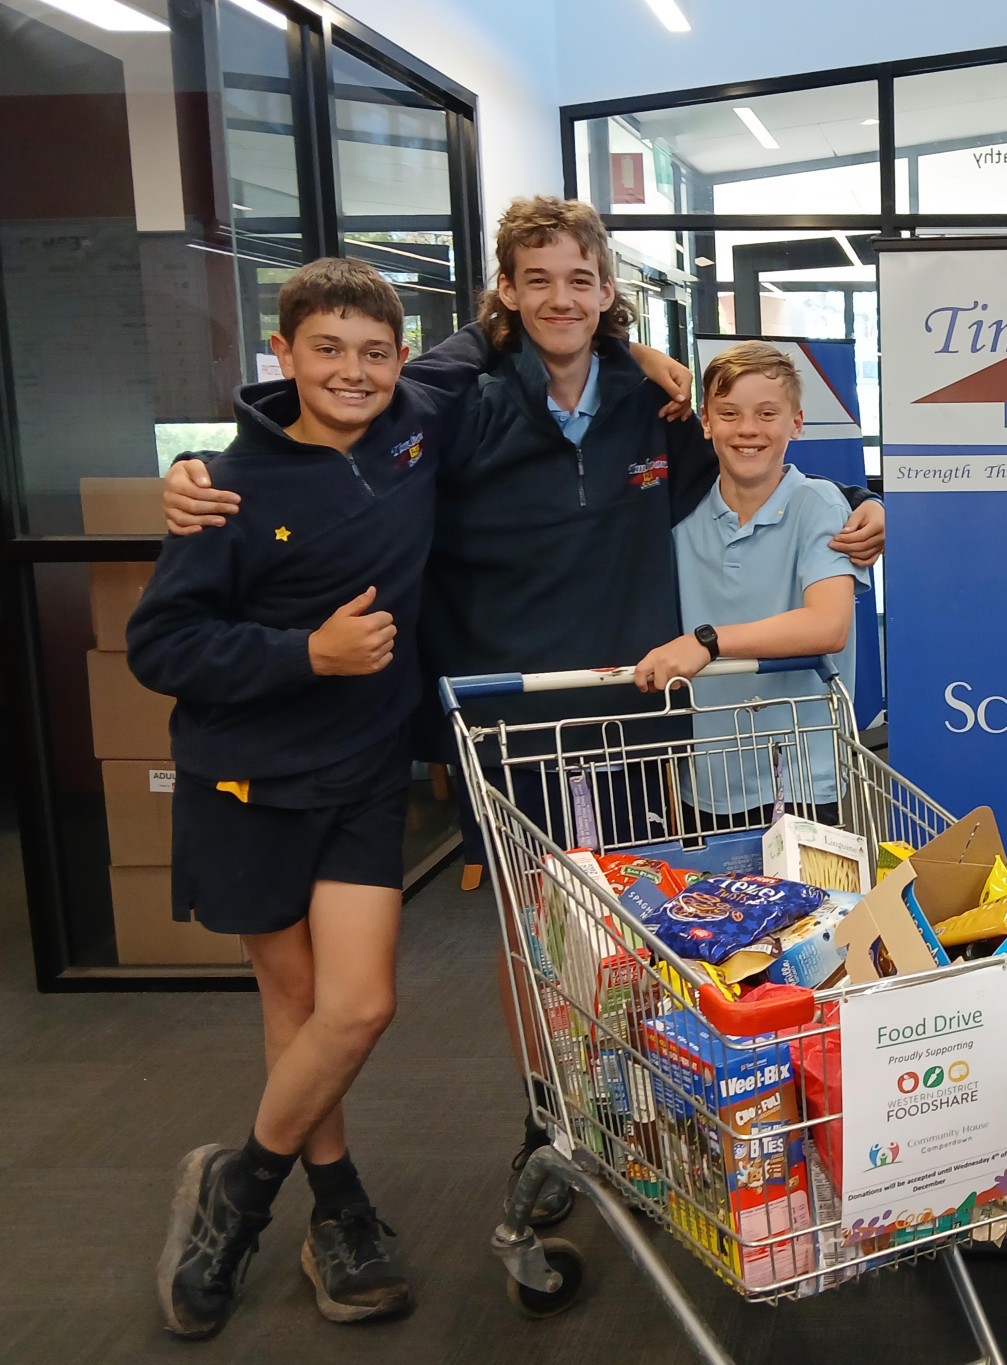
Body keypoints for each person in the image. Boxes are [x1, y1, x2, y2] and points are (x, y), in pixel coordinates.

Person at [159, 196, 884, 1227]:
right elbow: (336, 436)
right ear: (504, 290)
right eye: (535, 279)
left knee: (641, 932)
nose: (558, 298)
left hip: (637, 718)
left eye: (579, 281)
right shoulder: (452, 403)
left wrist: (867, 508)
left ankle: (635, 1115)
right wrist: (201, 474)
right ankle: (545, 1121)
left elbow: (756, 463)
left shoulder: (652, 405)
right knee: (534, 938)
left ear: (607, 295)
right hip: (508, 723)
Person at [133, 259, 486, 1337]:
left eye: (374, 352)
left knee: (359, 1006)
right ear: (280, 356)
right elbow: (161, 645)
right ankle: (335, 1209)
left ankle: (234, 1191)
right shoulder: (226, 487)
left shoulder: (415, 425)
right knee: (298, 1011)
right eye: (326, 349)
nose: (354, 371)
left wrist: (641, 348)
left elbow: (497, 335)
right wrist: (307, 655)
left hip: (365, 773)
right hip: (246, 782)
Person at [632, 340, 866, 830]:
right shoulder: (682, 513)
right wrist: (636, 353)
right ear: (706, 422)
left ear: (796, 423)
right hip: (709, 775)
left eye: (767, 413)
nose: (748, 430)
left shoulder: (819, 504)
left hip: (803, 774)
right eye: (730, 413)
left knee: (812, 907)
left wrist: (708, 642)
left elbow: (828, 625)